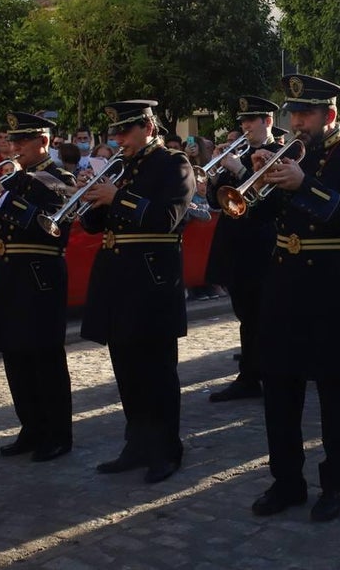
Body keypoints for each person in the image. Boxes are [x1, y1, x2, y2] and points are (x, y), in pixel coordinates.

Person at [248, 74, 340, 524]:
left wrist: (302, 183)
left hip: (331, 284)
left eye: (307, 114)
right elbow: (256, 215)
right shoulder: (291, 152)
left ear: (331, 115)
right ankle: (285, 481)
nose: (298, 122)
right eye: (294, 114)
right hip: (284, 281)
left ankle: (335, 483)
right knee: (279, 390)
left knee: (332, 393)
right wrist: (256, 178)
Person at [79, 100, 194, 484]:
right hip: (118, 280)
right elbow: (96, 224)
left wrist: (117, 197)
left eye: (125, 131)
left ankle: (166, 449)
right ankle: (137, 443)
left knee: (158, 374)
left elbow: (167, 218)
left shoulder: (173, 164)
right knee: (126, 371)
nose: (118, 139)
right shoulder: (123, 168)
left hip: (152, 283)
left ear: (148, 127)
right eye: (115, 132)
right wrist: (90, 197)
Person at [0, 112, 76, 463]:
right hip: (9, 278)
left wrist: (0, 195)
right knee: (15, 358)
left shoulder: (59, 178)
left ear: (42, 142)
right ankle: (30, 427)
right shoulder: (14, 180)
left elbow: (43, 225)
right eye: (12, 141)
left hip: (40, 277)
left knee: (45, 359)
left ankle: (57, 434)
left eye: (21, 142)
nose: (14, 148)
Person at [205, 96, 280, 402]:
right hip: (234, 244)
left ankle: (260, 372)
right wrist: (217, 171)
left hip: (260, 245)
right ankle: (251, 373)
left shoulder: (279, 153)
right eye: (243, 122)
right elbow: (215, 200)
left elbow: (267, 201)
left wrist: (238, 170)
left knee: (260, 314)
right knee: (245, 314)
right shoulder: (240, 153)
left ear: (268, 122)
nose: (245, 127)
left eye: (252, 121)